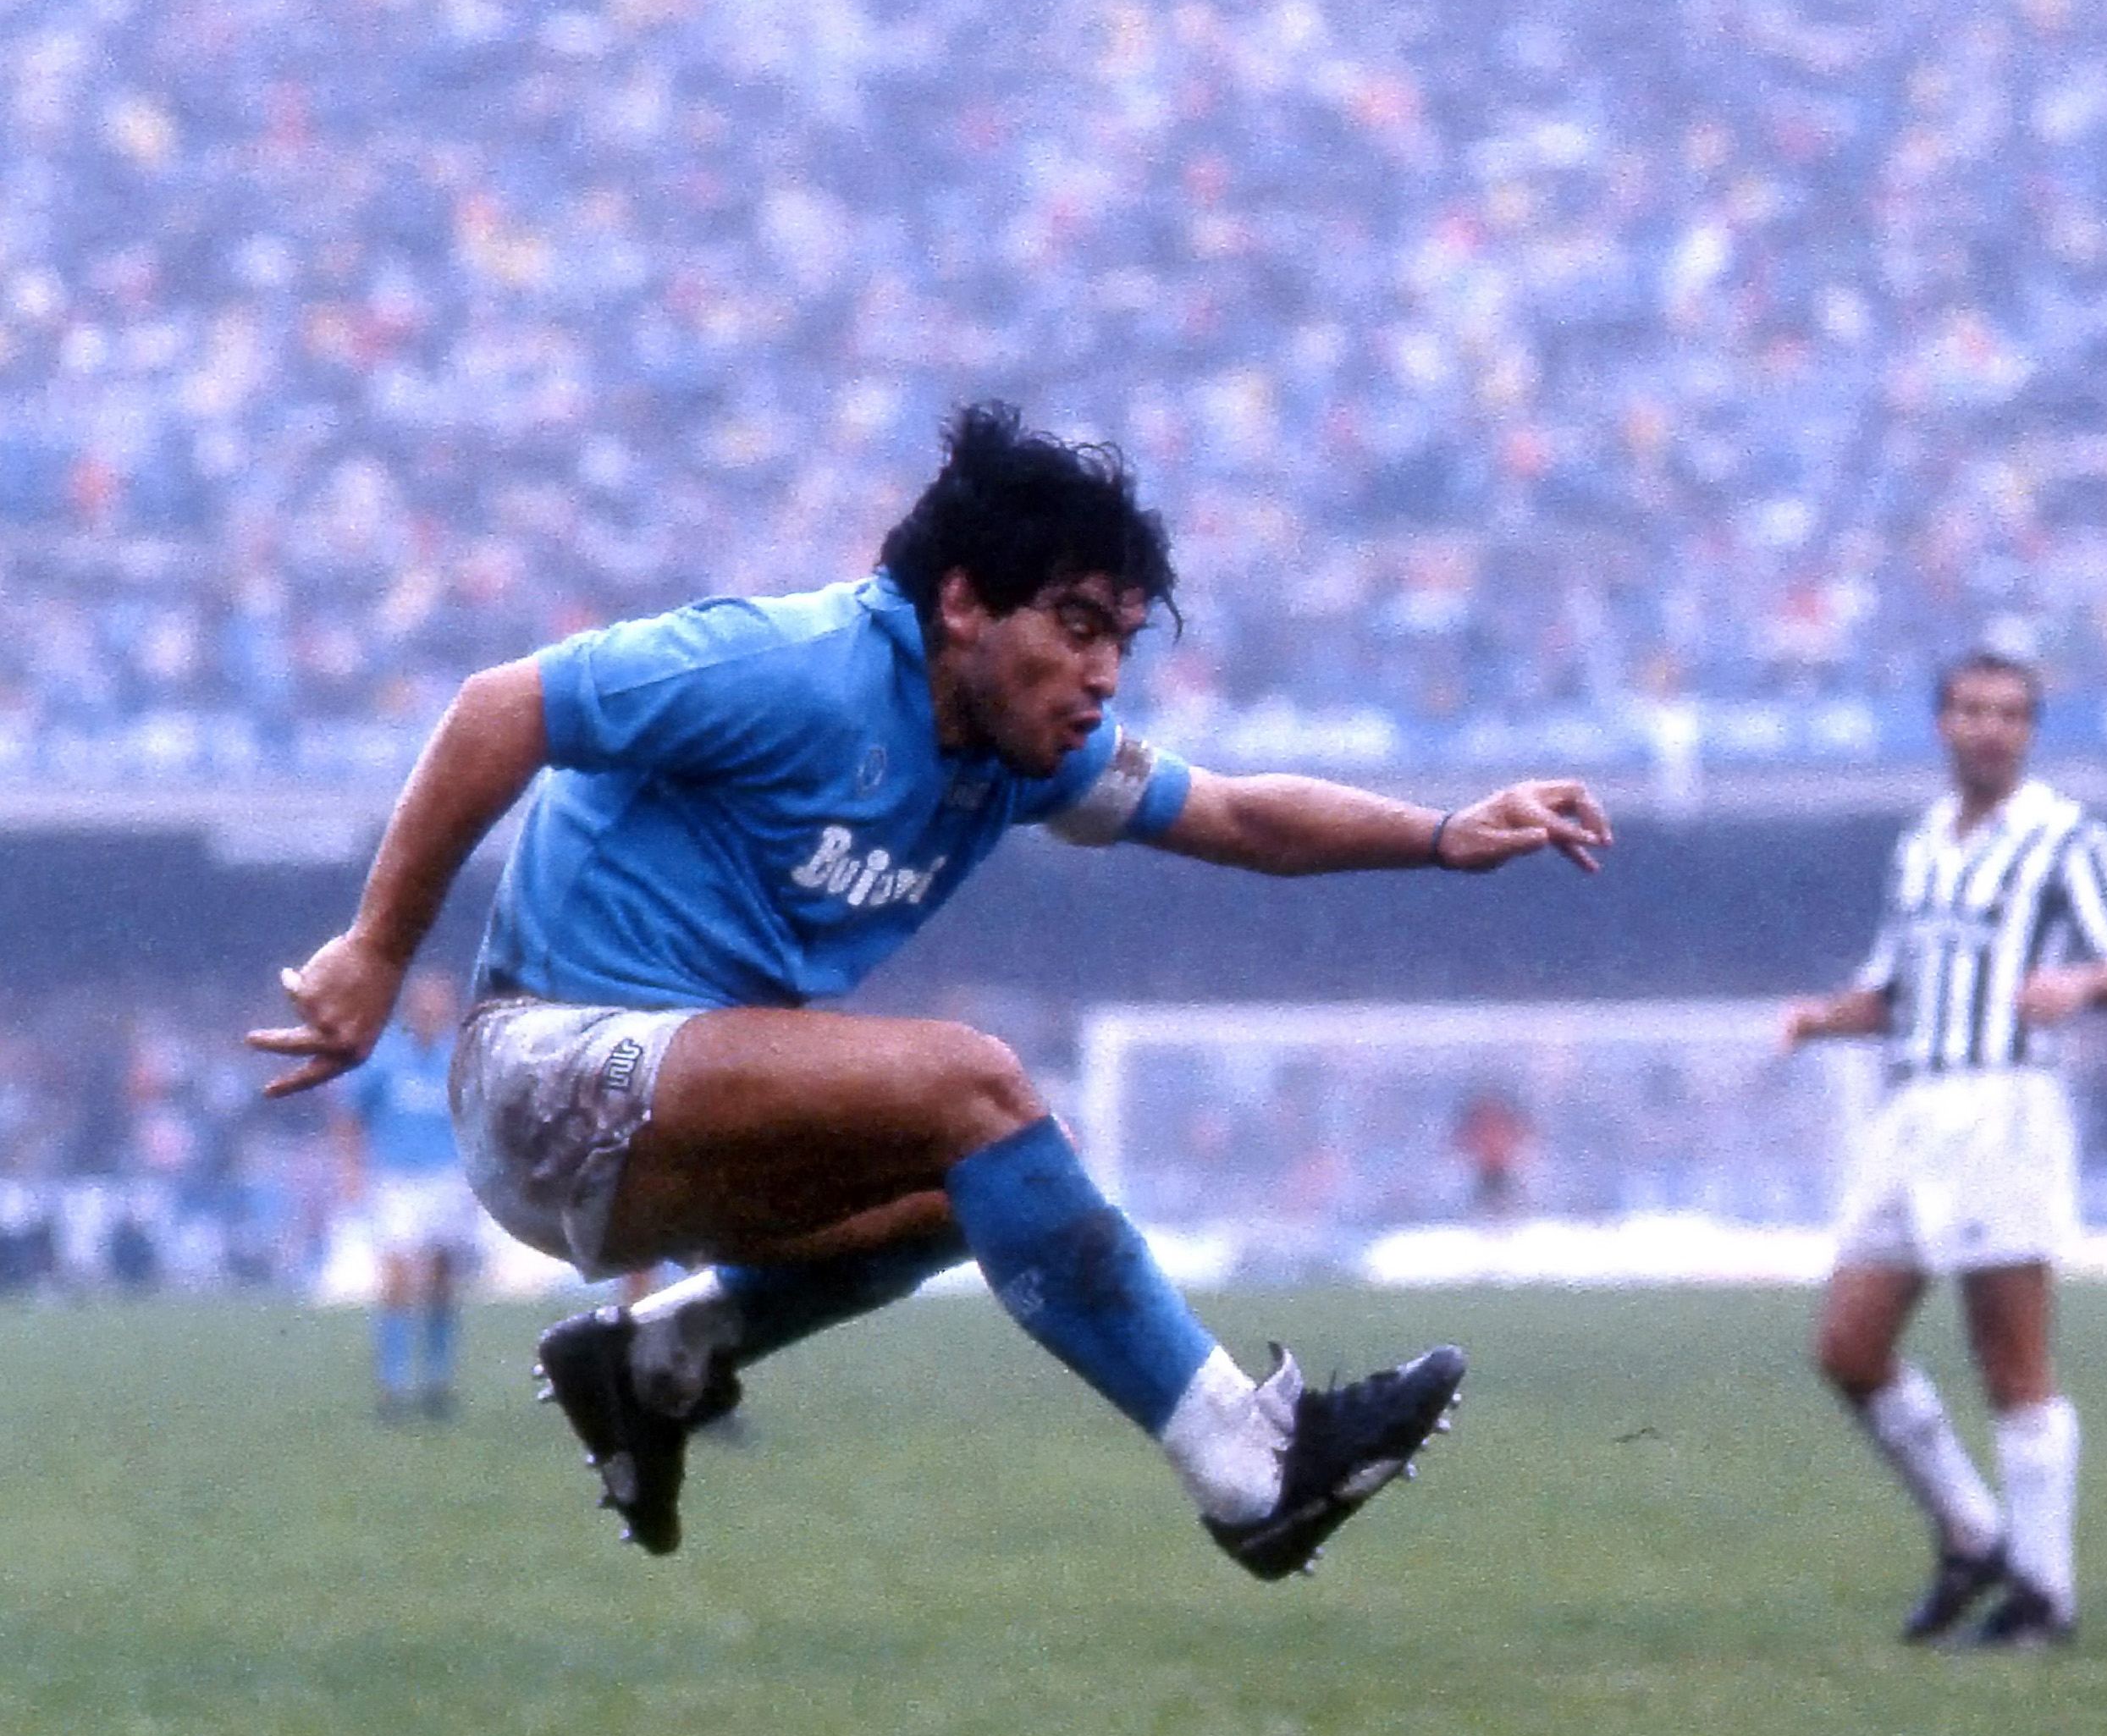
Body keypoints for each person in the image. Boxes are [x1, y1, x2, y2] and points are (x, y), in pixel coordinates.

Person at [252, 402, 1611, 1569]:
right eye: (1076, 624)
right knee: (975, 1085)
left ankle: (657, 1357)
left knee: (1014, 1167)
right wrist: (378, 949)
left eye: (1122, 641)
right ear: (961, 599)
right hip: (545, 1072)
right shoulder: (795, 665)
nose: (1100, 674)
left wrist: (1440, 832)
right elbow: (506, 704)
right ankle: (1248, 1465)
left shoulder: (1027, 753)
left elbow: (1242, 817)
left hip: (655, 1118)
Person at [1782, 652, 2107, 1649]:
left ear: (2030, 731)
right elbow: (1892, 986)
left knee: (2012, 1362)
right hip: (1912, 1110)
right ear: (1942, 723)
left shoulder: (2063, 835)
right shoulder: (1920, 843)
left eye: (2010, 713)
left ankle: (2046, 1594)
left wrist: (2080, 984)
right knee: (1849, 1347)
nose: (1991, 728)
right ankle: (1972, 1532)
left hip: (2005, 1109)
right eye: (1971, 710)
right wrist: (1826, 1020)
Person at [330, 969, 483, 1420]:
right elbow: (349, 1115)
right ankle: (391, 1387)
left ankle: (437, 1382)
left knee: (440, 1281)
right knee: (396, 1279)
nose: (429, 1011)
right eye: (422, 1003)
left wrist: (479, 1179)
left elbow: (478, 1122)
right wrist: (352, 1170)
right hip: (395, 1180)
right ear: (410, 1008)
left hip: (447, 1179)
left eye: (438, 1003)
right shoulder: (385, 1058)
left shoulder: (459, 1060)